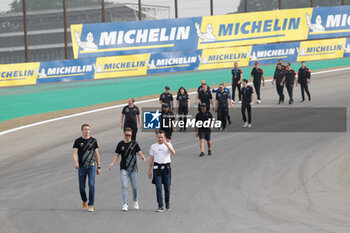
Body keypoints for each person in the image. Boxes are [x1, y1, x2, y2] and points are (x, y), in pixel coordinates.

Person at [108, 128, 146, 211]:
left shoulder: (135, 144)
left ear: (131, 135)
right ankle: (125, 203)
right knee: (124, 186)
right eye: (126, 135)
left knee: (134, 187)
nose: (128, 137)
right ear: (124, 134)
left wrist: (142, 157)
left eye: (129, 135)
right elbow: (116, 155)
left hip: (133, 169)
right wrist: (112, 163)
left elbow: (139, 152)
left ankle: (135, 201)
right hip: (123, 169)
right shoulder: (120, 144)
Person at [72, 124, 101, 212]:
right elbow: (74, 153)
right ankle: (84, 200)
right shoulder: (77, 141)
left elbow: (96, 154)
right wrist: (76, 162)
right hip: (81, 167)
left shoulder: (93, 141)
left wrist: (99, 166)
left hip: (91, 166)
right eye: (85, 129)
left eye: (88, 129)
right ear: (82, 130)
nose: (87, 131)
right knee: (81, 188)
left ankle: (91, 204)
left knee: (91, 185)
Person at [148, 130, 176, 212]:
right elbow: (151, 159)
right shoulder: (153, 146)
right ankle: (160, 205)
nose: (160, 139)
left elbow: (173, 152)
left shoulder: (168, 144)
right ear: (157, 136)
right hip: (157, 169)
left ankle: (167, 203)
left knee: (167, 187)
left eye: (162, 137)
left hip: (166, 168)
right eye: (159, 137)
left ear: (164, 137)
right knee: (158, 188)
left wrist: (166, 143)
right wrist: (149, 170)